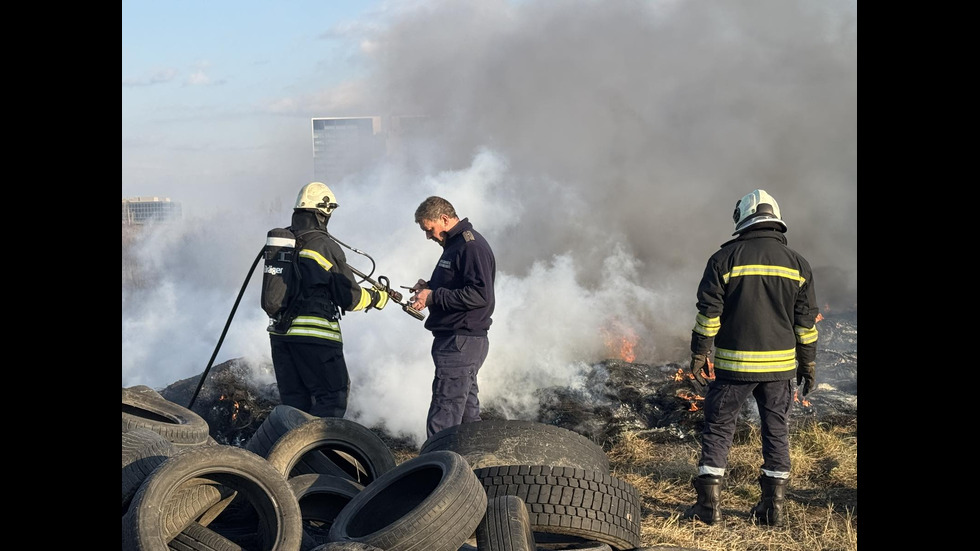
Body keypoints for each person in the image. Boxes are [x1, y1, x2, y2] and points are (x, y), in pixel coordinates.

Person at [682, 189, 819, 527]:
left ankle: (708, 508)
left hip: (733, 369)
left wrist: (700, 351)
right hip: (779, 370)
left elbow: (709, 314)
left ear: (742, 219)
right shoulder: (798, 264)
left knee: (718, 429)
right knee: (776, 432)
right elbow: (806, 324)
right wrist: (809, 362)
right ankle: (773, 509)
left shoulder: (723, 259)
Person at [268, 182, 389, 418]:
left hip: (281, 336)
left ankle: (290, 454)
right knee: (331, 399)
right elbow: (350, 298)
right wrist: (376, 297)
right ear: (323, 213)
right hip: (316, 336)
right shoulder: (324, 245)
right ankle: (321, 454)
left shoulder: (285, 242)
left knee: (294, 406)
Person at [408, 196, 496, 440]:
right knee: (467, 417)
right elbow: (458, 286)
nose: (428, 236)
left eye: (430, 229)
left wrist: (434, 296)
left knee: (444, 416)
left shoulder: (470, 246)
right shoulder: (456, 245)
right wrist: (429, 287)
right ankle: (475, 469)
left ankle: (436, 469)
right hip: (458, 341)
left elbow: (480, 295)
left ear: (444, 219)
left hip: (461, 343)